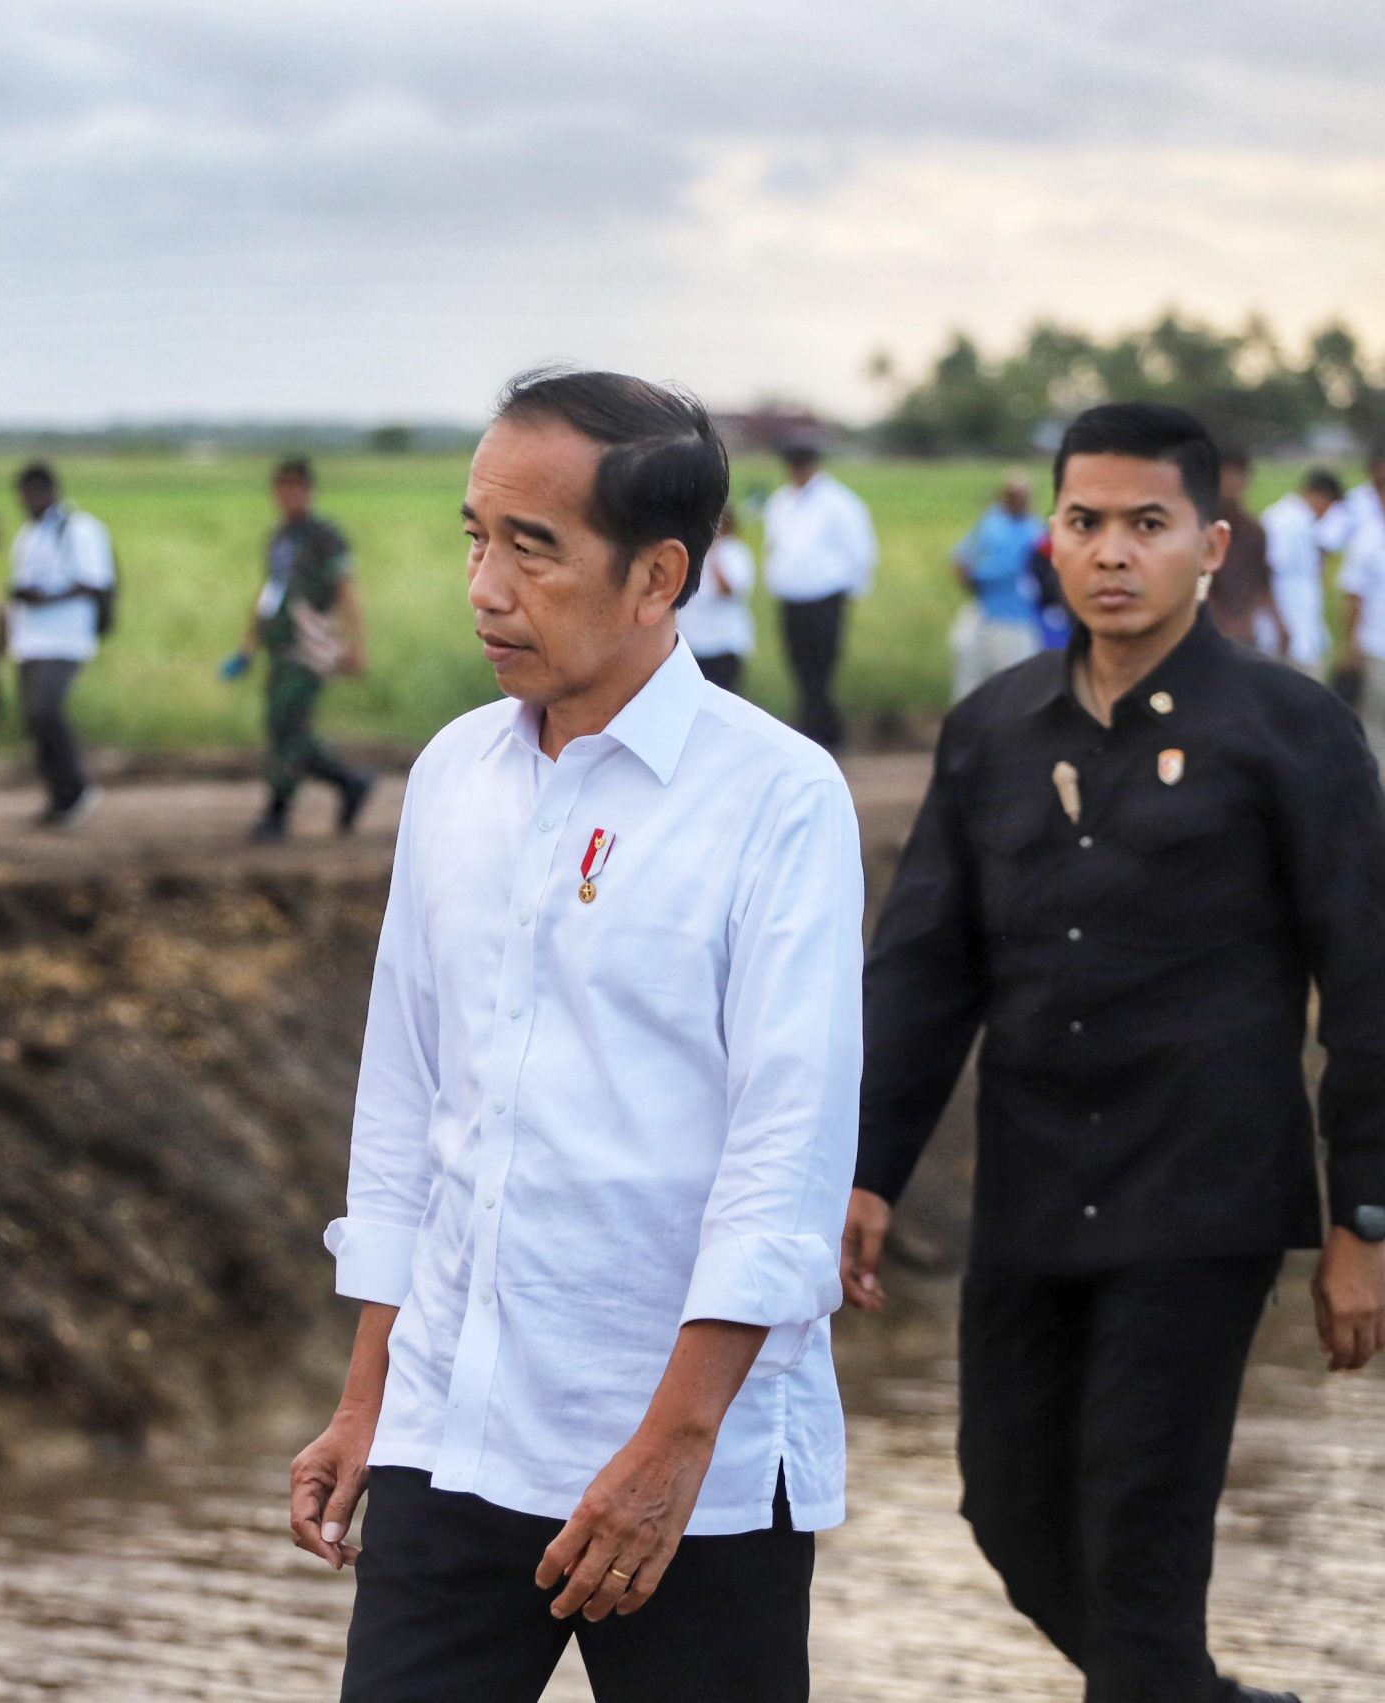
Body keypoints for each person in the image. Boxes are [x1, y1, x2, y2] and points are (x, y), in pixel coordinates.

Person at [293, 369, 861, 1702]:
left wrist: (675, 1444)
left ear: (659, 574)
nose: (486, 587)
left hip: (690, 1472)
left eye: (533, 548)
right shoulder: (453, 777)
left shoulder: (777, 798)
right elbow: (407, 1106)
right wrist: (369, 1391)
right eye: (475, 537)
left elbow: (785, 1158)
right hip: (452, 1423)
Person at [847, 402, 1382, 1703]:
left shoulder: (1290, 727)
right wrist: (861, 1173)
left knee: (1139, 1550)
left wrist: (1363, 1217)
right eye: (1086, 521)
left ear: (1208, 543)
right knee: (1010, 1512)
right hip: (1031, 1191)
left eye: (1147, 525)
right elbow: (925, 972)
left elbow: (1367, 979)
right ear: (1053, 537)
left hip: (1200, 1199)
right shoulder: (993, 731)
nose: (1113, 553)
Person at [227, 456, 372, 841]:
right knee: (282, 727)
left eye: (296, 487)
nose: (288, 495)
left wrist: (356, 646)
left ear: (309, 490)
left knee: (288, 727)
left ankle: (277, 812)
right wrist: (248, 646)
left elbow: (346, 592)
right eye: (282, 487)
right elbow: (268, 594)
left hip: (311, 648)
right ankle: (350, 782)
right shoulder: (278, 538)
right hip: (279, 646)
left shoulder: (325, 536)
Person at [0, 461, 115, 829]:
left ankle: (76, 788)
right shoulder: (29, 534)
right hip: (30, 641)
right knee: (33, 719)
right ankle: (60, 797)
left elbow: (95, 582)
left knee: (45, 710)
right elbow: (19, 593)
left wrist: (47, 598)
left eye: (32, 494)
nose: (27, 501)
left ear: (50, 491)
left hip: (66, 639)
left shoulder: (81, 529)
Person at [760, 440, 876, 750]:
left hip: (825, 593)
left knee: (822, 664)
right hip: (791, 595)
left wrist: (855, 587)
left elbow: (859, 548)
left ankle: (817, 730)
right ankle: (823, 728)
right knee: (798, 662)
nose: (797, 471)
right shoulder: (781, 501)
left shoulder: (838, 503)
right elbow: (775, 544)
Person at [948, 471, 1048, 699]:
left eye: (1020, 495)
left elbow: (1006, 568)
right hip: (981, 609)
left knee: (1014, 683)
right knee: (968, 669)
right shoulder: (992, 521)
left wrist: (973, 572)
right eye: (1010, 494)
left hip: (1014, 616)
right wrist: (963, 567)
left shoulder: (1033, 531)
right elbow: (963, 551)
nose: (1014, 500)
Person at [1259, 469, 1338, 671]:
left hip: (1299, 632)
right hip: (1285, 634)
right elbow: (1266, 573)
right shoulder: (1284, 521)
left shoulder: (1301, 521)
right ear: (1320, 495)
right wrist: (1280, 625)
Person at [1204, 445, 1279, 651]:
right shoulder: (1198, 529)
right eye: (1225, 475)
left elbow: (1261, 580)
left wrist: (1277, 622)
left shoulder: (1253, 530)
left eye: (1237, 475)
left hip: (1244, 633)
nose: (1231, 483)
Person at [677, 505, 756, 694]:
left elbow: (728, 589)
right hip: (693, 642)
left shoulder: (735, 552)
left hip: (723, 644)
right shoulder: (689, 553)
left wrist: (714, 553)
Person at [1336, 499, 1385, 761]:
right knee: (1376, 725)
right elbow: (1354, 595)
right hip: (1377, 645)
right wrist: (1351, 644)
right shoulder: (1369, 538)